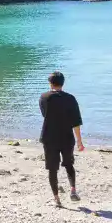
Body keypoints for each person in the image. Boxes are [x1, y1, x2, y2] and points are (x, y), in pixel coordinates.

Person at [39, 71, 84, 207]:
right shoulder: (70, 99)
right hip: (67, 137)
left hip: (49, 137)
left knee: (52, 169)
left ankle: (57, 199)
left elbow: (44, 114)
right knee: (69, 164)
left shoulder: (44, 97)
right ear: (63, 83)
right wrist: (80, 142)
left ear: (50, 83)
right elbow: (76, 122)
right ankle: (73, 190)